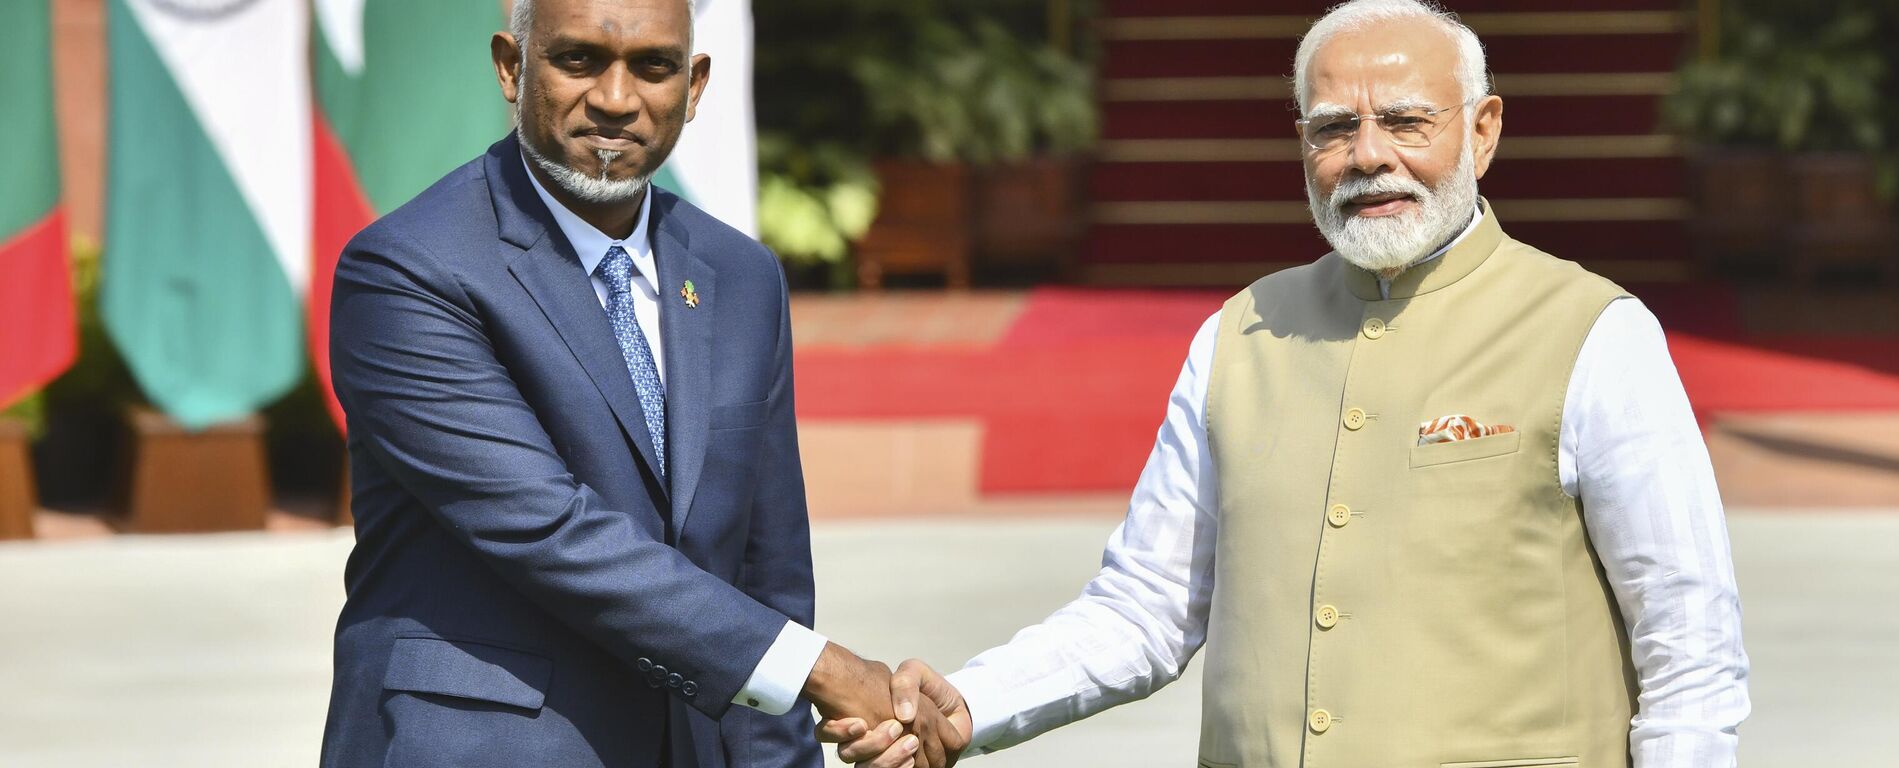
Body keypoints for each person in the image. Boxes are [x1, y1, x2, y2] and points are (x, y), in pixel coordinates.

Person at [821, 1, 1751, 766]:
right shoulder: (1241, 335)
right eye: (1335, 128)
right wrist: (967, 706)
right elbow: (1145, 608)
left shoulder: (1592, 332)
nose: (1369, 155)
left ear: (1484, 130)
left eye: (1406, 121)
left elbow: (1690, 651)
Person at [318, 1, 957, 766]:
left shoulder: (741, 276)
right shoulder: (409, 271)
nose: (616, 99)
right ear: (511, 67)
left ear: (693, 87)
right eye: (579, 60)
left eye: (652, 67)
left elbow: (765, 572)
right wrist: (825, 671)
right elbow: (548, 528)